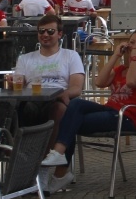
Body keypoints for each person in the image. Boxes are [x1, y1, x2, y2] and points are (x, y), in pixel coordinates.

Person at [39, 29, 136, 193]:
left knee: (70, 122)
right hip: (110, 110)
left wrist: (135, 58)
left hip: (128, 117)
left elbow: (131, 82)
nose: (133, 47)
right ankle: (59, 160)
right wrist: (115, 55)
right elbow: (99, 82)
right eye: (131, 42)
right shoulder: (120, 68)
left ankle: (60, 172)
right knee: (76, 105)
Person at [14, 14, 85, 153]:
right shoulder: (25, 59)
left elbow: (76, 88)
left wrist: (63, 94)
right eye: (41, 31)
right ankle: (22, 154)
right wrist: (12, 83)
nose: (45, 34)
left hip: (58, 99)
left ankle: (46, 158)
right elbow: (19, 85)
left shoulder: (71, 56)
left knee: (59, 110)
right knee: (17, 111)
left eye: (50, 31)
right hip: (32, 101)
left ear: (59, 34)